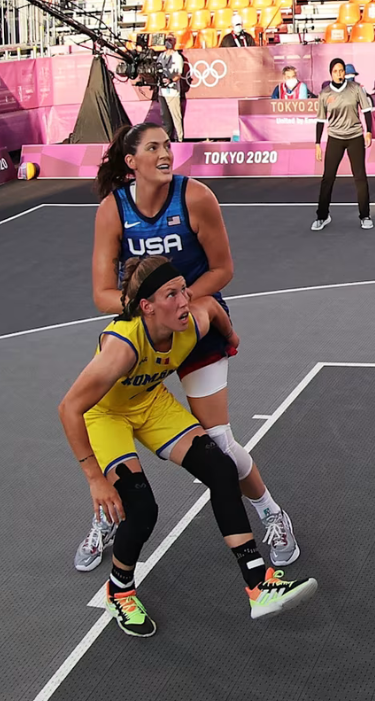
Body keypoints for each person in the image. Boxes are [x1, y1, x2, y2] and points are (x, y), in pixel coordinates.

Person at [58, 255, 317, 633]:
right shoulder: (122, 347)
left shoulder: (192, 320)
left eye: (183, 289)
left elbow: (212, 306)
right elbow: (69, 408)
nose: (183, 300)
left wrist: (231, 337)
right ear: (146, 307)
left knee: (221, 468)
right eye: (171, 294)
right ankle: (119, 590)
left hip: (149, 402)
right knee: (142, 509)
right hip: (106, 415)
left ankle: (259, 583)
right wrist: (94, 478)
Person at [85, 124, 300, 573]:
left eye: (167, 145)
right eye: (153, 148)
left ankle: (271, 513)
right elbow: (102, 292)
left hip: (194, 324)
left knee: (218, 443)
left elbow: (223, 268)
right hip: (144, 331)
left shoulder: (196, 196)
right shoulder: (113, 210)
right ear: (131, 162)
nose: (166, 153)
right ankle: (108, 511)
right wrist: (144, 314)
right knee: (106, 418)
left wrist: (184, 304)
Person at [312, 59, 375, 231]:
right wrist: (317, 144)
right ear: (331, 73)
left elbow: (367, 110)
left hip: (355, 136)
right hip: (335, 138)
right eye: (335, 71)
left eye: (341, 71)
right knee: (328, 178)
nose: (339, 74)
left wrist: (368, 131)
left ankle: (365, 215)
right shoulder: (324, 94)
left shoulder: (355, 89)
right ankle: (322, 216)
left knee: (360, 177)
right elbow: (320, 120)